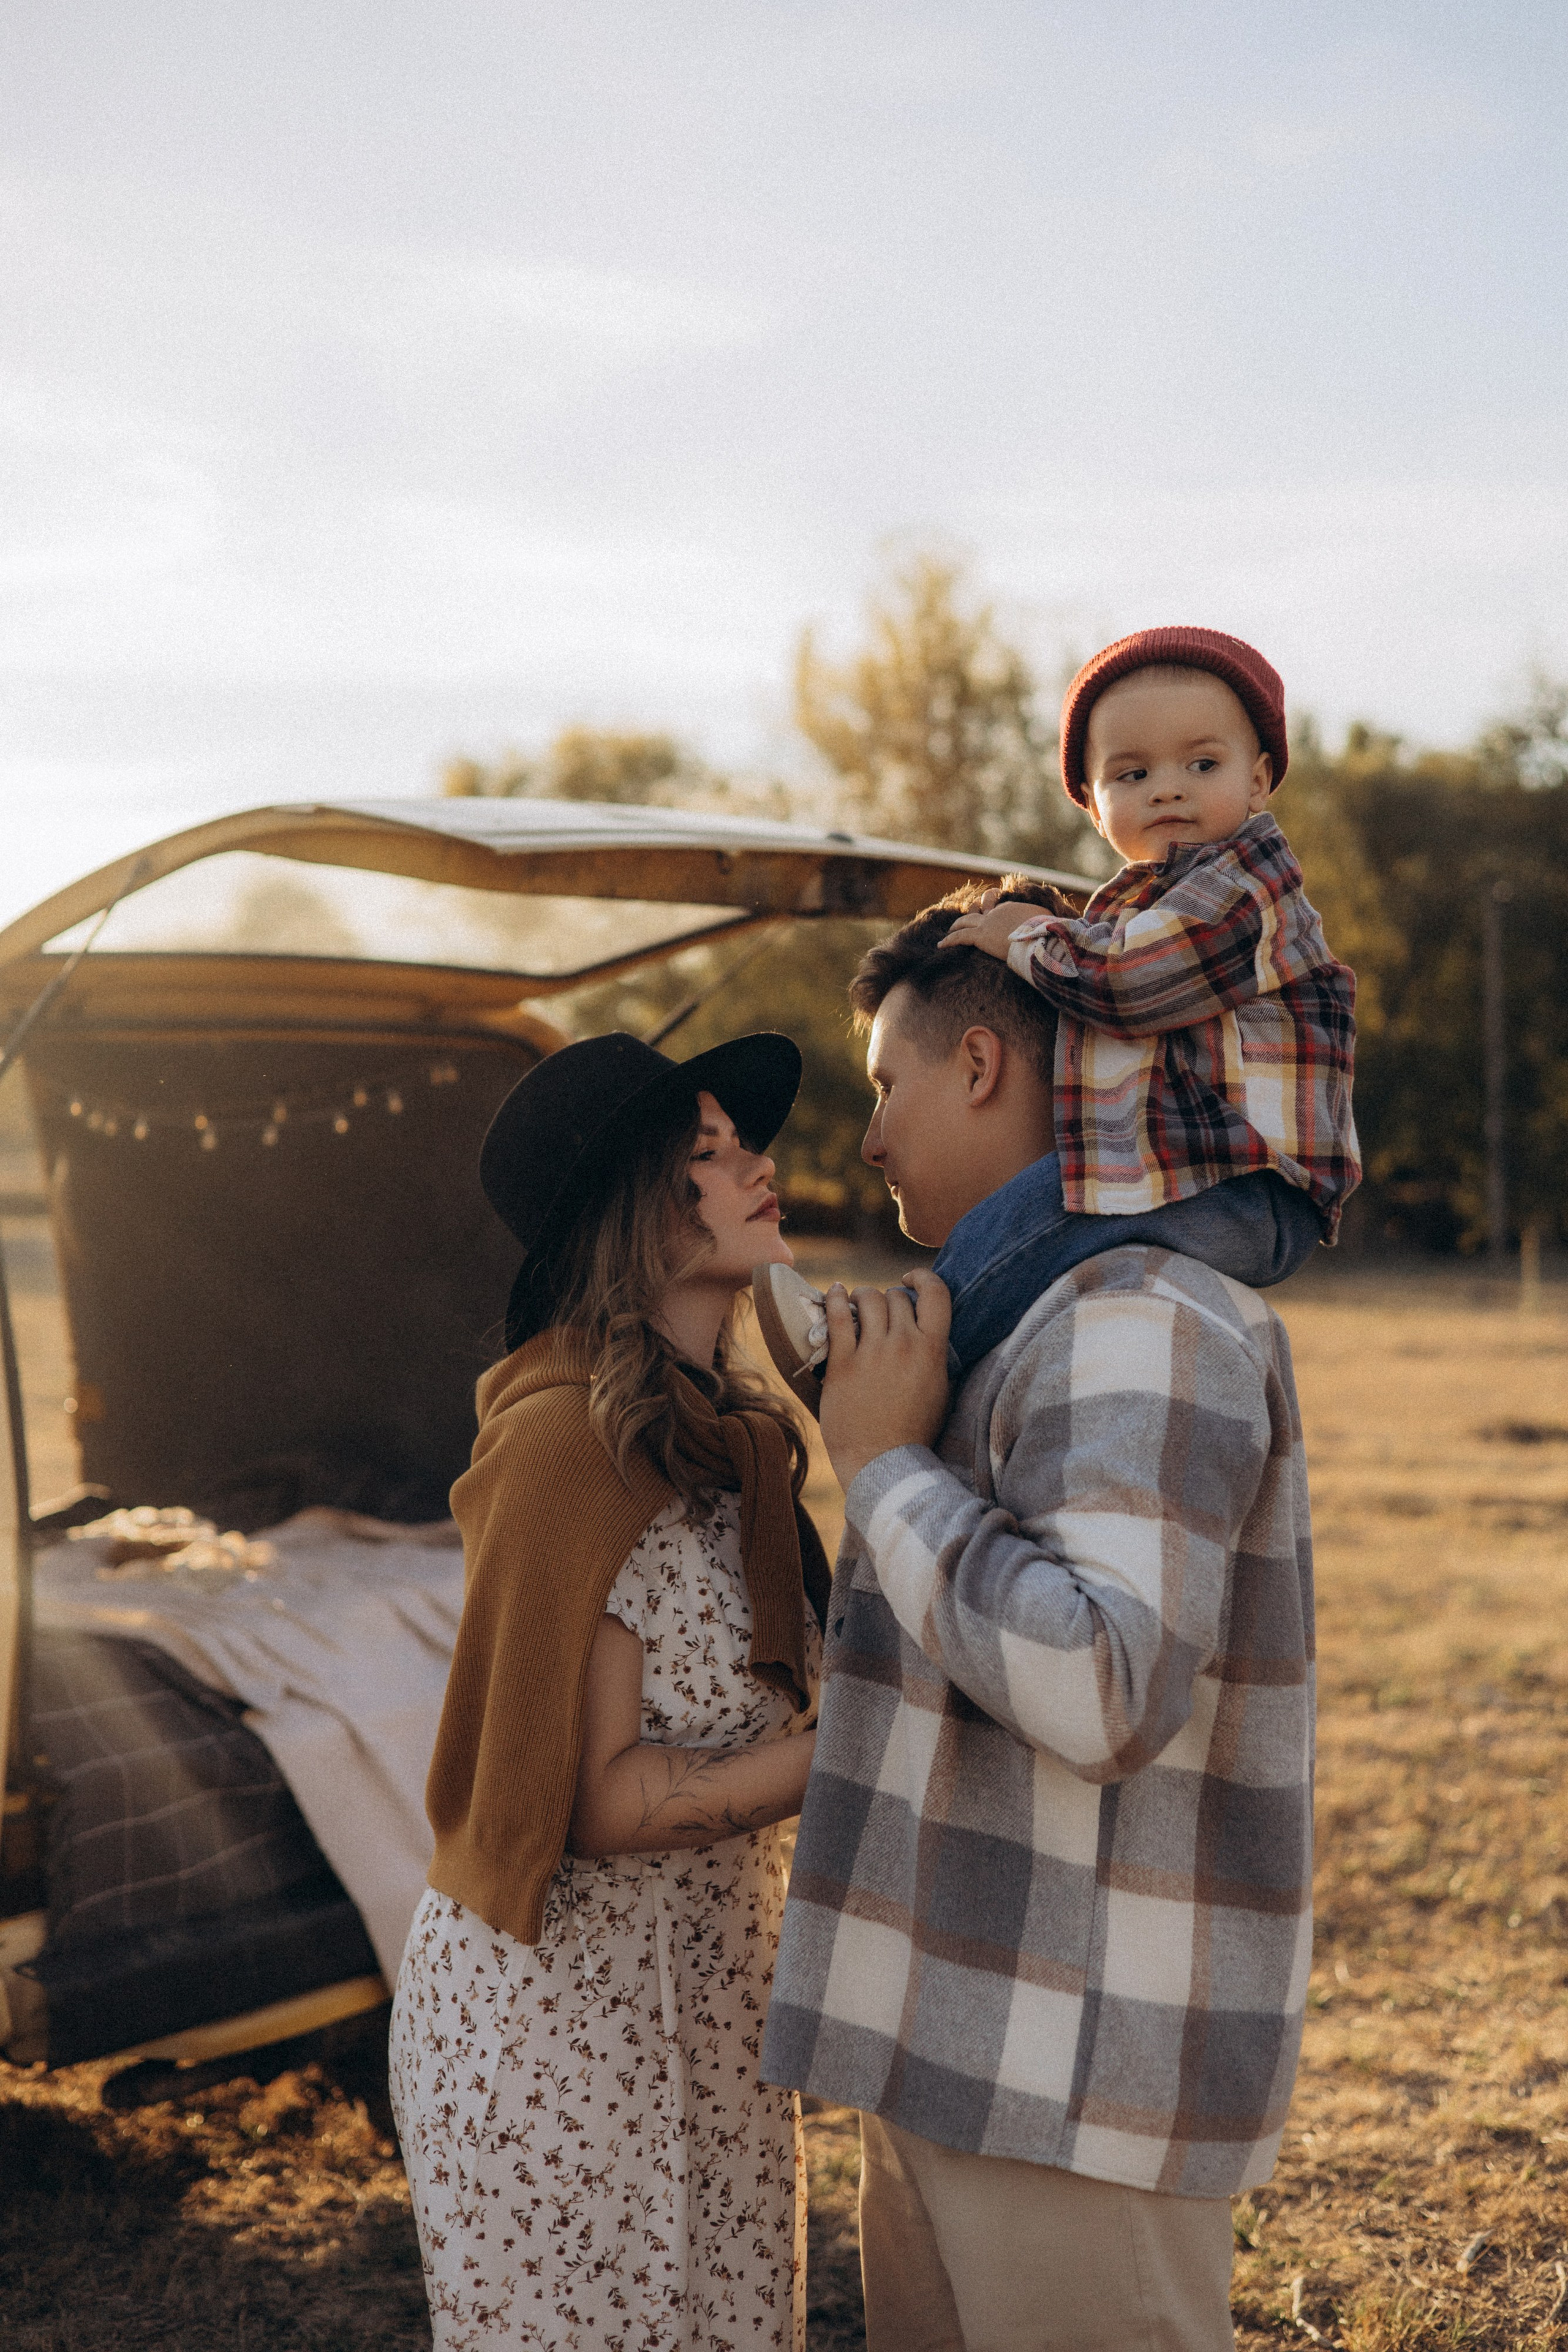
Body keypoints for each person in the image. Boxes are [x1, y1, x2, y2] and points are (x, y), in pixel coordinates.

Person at [761, 902, 1316, 2352]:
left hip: (1075, 2077)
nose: (869, 1135)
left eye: (887, 1084)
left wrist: (879, 1466)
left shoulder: (1139, 1315)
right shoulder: (1007, 1322)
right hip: (957, 2040)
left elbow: (1104, 1684)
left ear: (985, 1063)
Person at [390, 1030, 829, 2352]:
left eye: (740, 1141)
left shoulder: (729, 1439)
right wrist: (872, 1740)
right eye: (706, 1154)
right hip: (554, 2037)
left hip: (704, 2002)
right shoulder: (566, 1444)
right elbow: (603, 1799)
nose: (757, 1163)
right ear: (632, 1213)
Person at [929, 624, 1359, 1373]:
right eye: (1130, 775)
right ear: (1093, 809)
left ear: (1257, 780)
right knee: (1032, 1227)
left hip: (1248, 1189)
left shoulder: (1247, 886)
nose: (1167, 787)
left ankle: (902, 1354)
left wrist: (1026, 939)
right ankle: (953, 1363)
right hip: (1190, 1173)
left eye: (1201, 762)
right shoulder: (1132, 914)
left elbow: (1132, 986)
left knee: (1026, 1227)